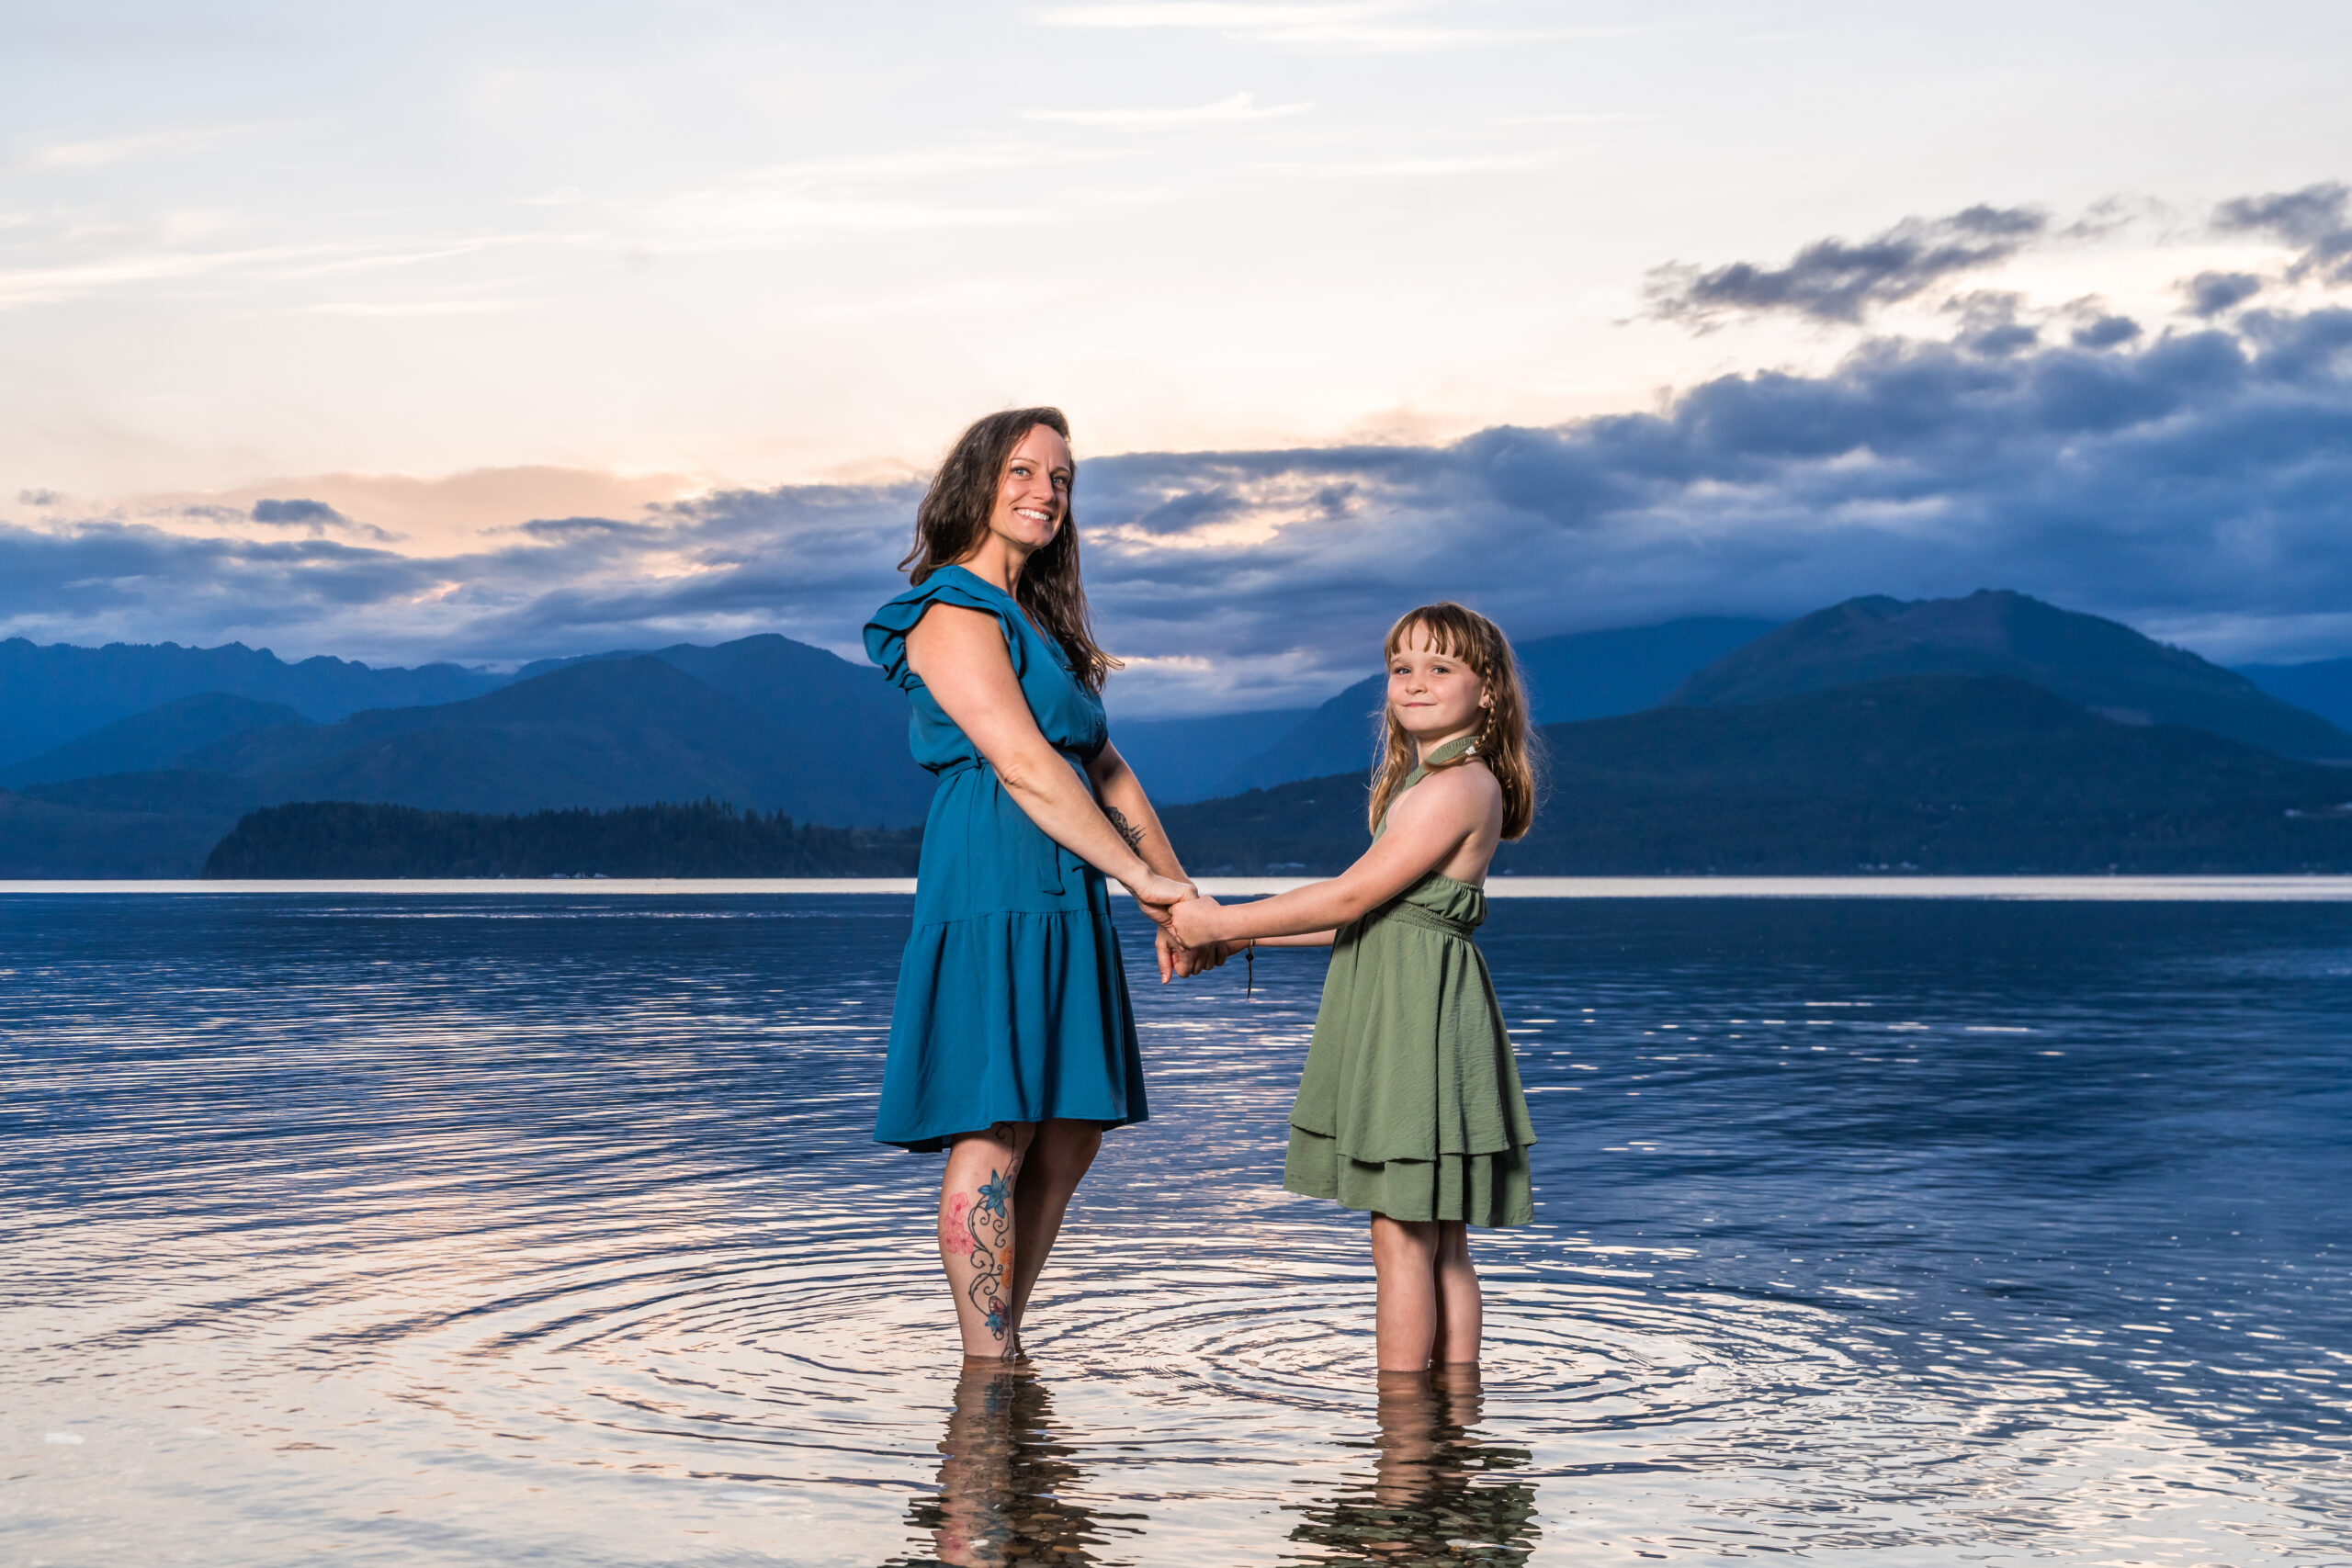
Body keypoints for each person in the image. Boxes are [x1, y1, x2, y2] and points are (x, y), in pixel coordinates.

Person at [865, 406, 1216, 1362]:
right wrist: (1136, 874)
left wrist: (1181, 899)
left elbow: (1104, 768)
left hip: (1066, 881)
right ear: (976, 482)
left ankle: (1000, 1342)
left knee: (1071, 1127)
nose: (1044, 492)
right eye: (1022, 471)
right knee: (997, 1123)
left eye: (1061, 479)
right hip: (991, 874)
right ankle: (989, 1359)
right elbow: (1022, 763)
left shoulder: (1040, 626)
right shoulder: (950, 606)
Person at [1167, 603, 1539, 1374]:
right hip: (1424, 1011)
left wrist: (1214, 920)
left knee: (1401, 1237)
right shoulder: (1438, 782)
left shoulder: (1454, 788)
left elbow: (1344, 898)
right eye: (1402, 668)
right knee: (1438, 1239)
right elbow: (1365, 920)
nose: (1415, 682)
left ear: (1489, 692)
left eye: (1441, 668)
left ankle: (1402, 1440)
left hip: (1415, 1022)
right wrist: (1241, 936)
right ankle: (1452, 1427)